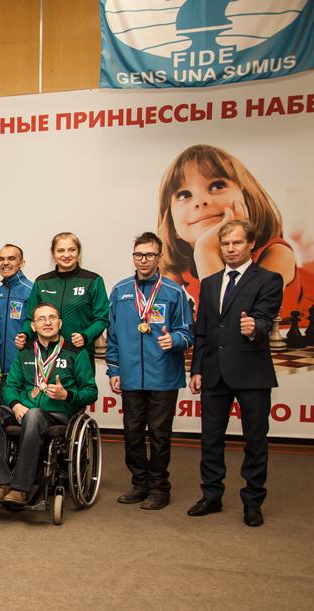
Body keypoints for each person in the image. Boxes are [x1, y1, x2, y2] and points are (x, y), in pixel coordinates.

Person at [188, 220, 282, 527]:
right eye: (226, 244)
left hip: (252, 373)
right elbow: (202, 330)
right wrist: (197, 368)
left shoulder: (268, 279)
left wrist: (255, 328)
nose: (230, 249)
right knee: (210, 439)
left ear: (251, 244)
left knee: (255, 441)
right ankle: (211, 495)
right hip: (213, 373)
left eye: (237, 243)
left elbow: (266, 318)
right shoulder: (209, 283)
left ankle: (253, 502)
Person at [157, 144, 312, 319]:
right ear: (172, 224)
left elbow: (234, 320)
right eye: (184, 195)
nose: (200, 201)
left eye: (217, 186)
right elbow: (154, 314)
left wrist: (206, 251)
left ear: (246, 198)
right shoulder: (178, 265)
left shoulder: (277, 254)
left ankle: (306, 248)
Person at [106, 232, 194, 511]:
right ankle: (139, 484)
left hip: (163, 376)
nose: (143, 260)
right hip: (130, 376)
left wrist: (175, 340)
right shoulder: (120, 291)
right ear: (133, 257)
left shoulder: (173, 291)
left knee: (159, 435)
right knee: (132, 434)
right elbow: (112, 336)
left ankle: (159, 487)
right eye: (138, 255)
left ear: (159, 257)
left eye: (149, 255)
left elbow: (188, 333)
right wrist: (114, 370)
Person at [0, 303, 98, 507]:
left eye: (52, 317)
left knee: (34, 414)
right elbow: (10, 386)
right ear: (33, 326)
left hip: (57, 413)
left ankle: (20, 488)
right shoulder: (25, 353)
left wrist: (67, 395)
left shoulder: (75, 353)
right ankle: (0, 483)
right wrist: (16, 405)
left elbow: (91, 391)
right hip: (24, 410)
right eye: (41, 319)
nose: (47, 322)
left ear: (60, 323)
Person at [16, 232, 108, 359]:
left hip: (79, 353)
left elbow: (102, 319)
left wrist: (86, 336)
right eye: (60, 250)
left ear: (78, 252)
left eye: (72, 250)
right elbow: (30, 318)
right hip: (45, 354)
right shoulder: (42, 282)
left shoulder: (93, 280)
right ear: (53, 254)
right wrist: (25, 334)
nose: (66, 255)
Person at [0, 244, 33, 381]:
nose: (5, 263)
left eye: (11, 258)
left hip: (25, 372)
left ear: (22, 263)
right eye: (1, 259)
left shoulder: (32, 291)